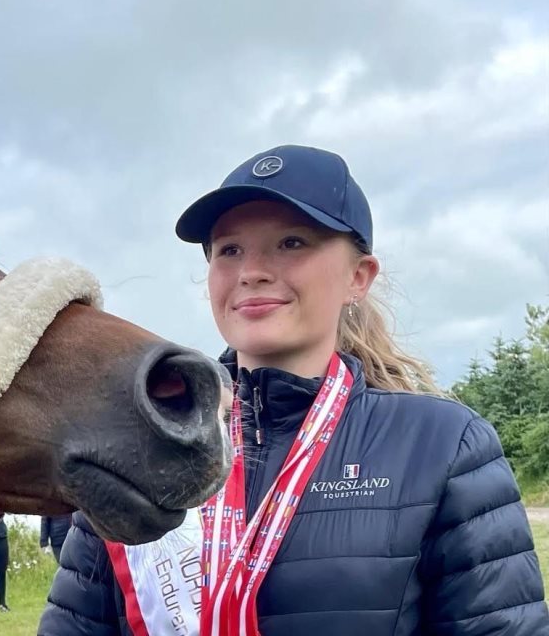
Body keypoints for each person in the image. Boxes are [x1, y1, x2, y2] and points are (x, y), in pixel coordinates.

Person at [38, 145, 548, 635]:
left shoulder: (442, 444)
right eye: (229, 250)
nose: (252, 272)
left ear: (359, 276)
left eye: (292, 243)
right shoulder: (141, 437)